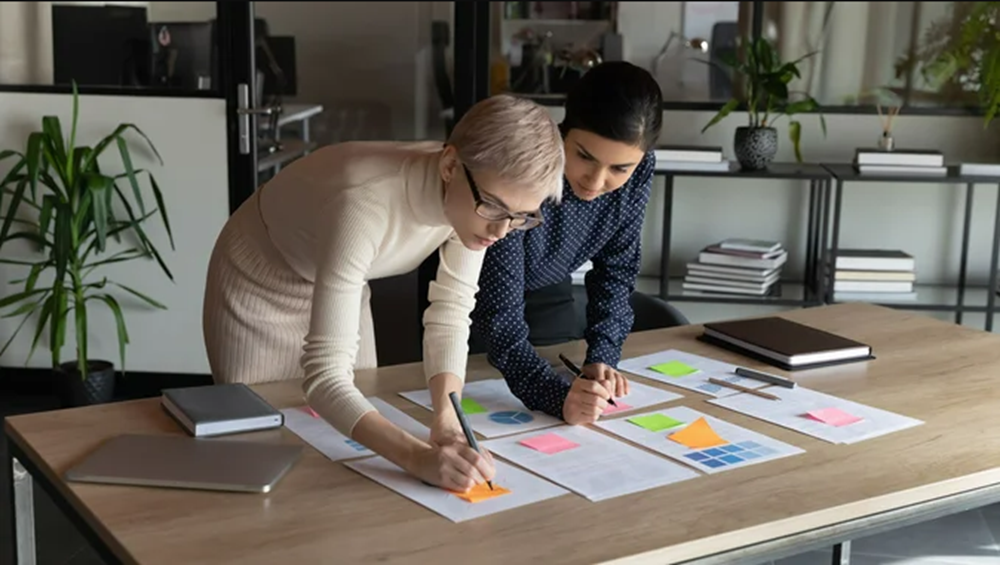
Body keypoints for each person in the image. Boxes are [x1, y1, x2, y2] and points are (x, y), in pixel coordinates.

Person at [202, 94, 565, 492]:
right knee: (271, 447)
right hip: (261, 280)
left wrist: (445, 417)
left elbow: (450, 311)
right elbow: (325, 378)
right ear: (449, 165)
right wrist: (416, 457)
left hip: (343, 275)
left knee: (346, 453)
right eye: (495, 209)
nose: (501, 231)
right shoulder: (362, 205)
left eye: (520, 217)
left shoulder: (476, 203)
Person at [470, 61, 664, 426]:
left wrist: (602, 359)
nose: (596, 180)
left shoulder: (639, 170)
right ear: (563, 131)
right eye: (584, 157)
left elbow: (617, 269)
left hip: (550, 289)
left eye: (620, 168)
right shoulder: (521, 162)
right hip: (472, 299)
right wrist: (556, 397)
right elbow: (497, 317)